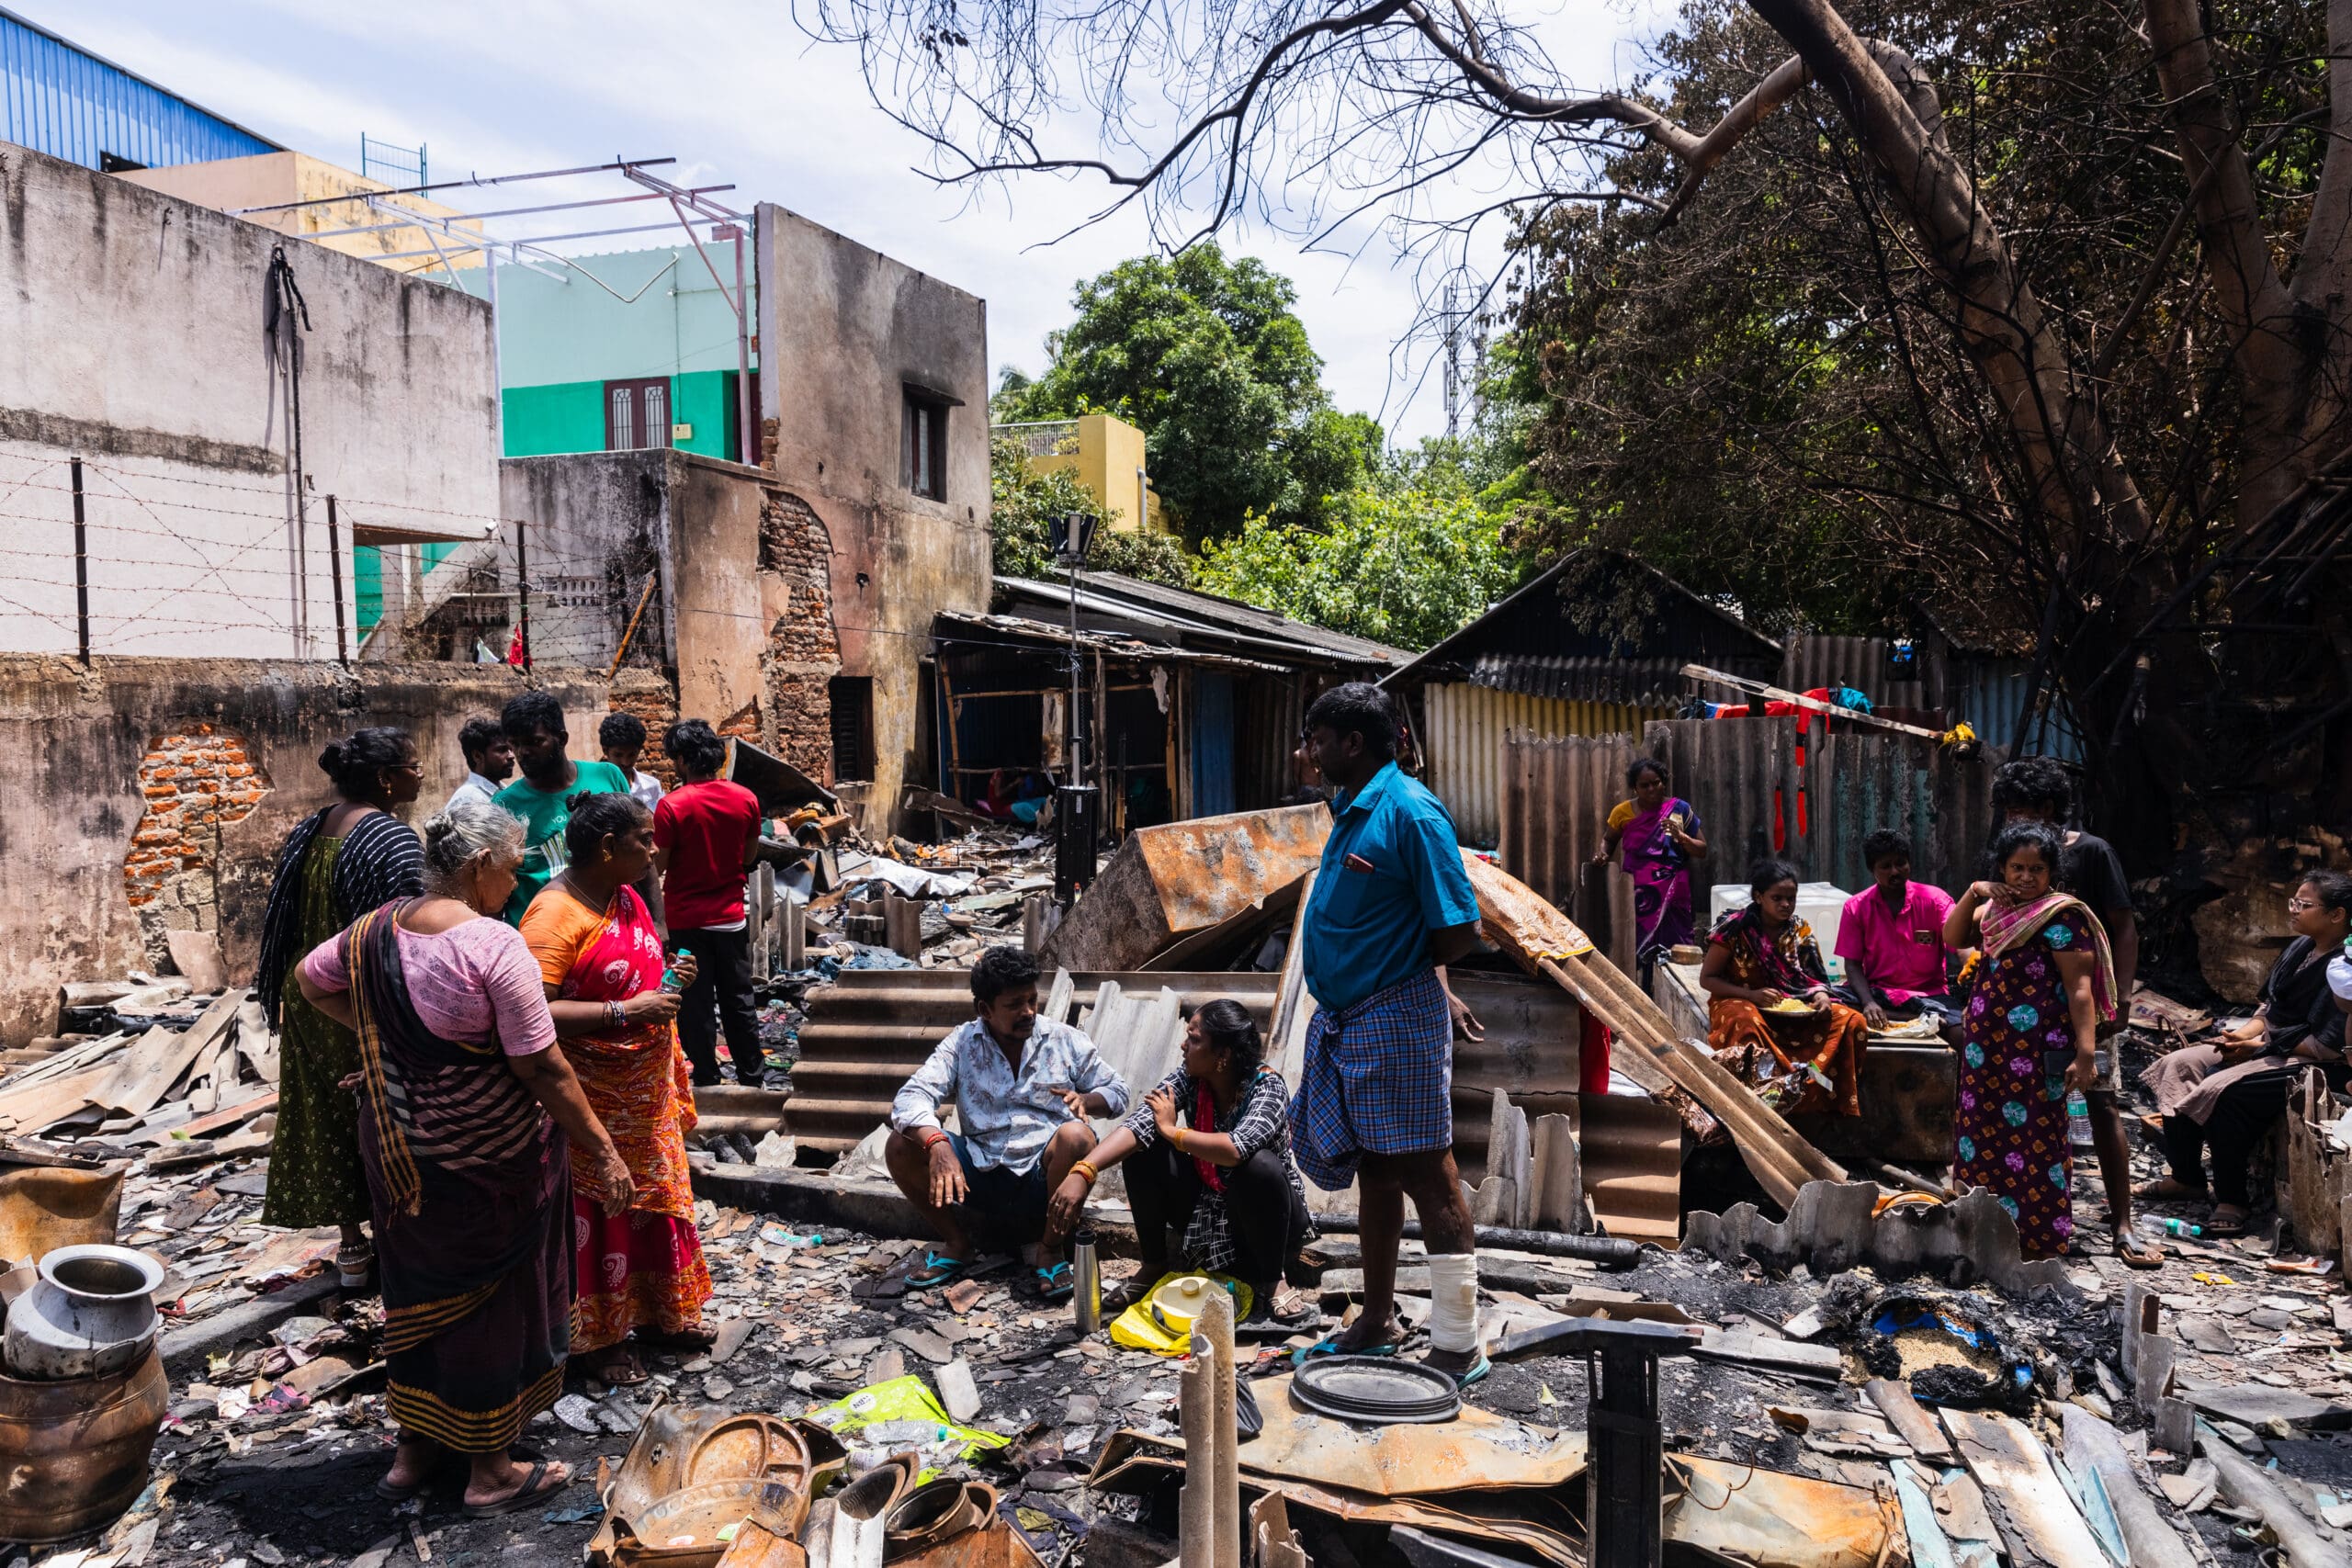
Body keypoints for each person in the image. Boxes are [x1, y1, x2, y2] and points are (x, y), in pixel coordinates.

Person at [294, 801, 632, 1516]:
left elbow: (309, 979)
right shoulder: (491, 944)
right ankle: (491, 1469)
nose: (515, 887)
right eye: (510, 870)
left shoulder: (370, 930)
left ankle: (415, 1449)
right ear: (479, 866)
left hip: (399, 1151)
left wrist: (379, 1035)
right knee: (491, 1302)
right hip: (489, 1162)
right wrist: (601, 1147)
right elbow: (542, 1066)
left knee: (415, 1295)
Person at [1289, 682, 1487, 1382]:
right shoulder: (1351, 807)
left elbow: (1459, 929)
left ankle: (1460, 1341)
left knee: (1428, 1174)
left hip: (1394, 1014)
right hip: (1355, 1018)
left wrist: (1406, 973)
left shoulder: (1410, 810)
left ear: (1353, 742)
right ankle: (1377, 1317)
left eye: (1316, 738)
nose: (1307, 751)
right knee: (1377, 1168)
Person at [518, 792, 710, 1386]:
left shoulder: (625, 896)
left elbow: (637, 972)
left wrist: (668, 982)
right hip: (587, 1094)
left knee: (652, 1202)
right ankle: (596, 1339)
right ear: (607, 848)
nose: (655, 849)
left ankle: (658, 1314)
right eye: (644, 839)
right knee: (598, 1211)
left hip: (643, 1092)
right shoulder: (553, 915)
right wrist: (627, 1010)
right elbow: (533, 1014)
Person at [254, 728, 427, 1287]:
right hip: (356, 1002)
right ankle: (400, 1241)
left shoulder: (312, 826)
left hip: (305, 995)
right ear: (385, 779)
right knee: (384, 1116)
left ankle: (353, 1250)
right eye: (412, 765)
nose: (420, 774)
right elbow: (404, 931)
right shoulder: (391, 838)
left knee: (324, 1119)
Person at [1046, 999, 1316, 1323]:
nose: (1183, 1044)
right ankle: (1154, 1264)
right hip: (1211, 1208)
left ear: (1223, 1055)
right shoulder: (1191, 1078)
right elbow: (1140, 1123)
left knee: (1259, 1166)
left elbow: (1235, 1149)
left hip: (1270, 1216)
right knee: (1144, 1150)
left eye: (1195, 1039)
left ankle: (1274, 1279)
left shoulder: (1268, 1087)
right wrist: (1084, 1170)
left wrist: (1173, 1132)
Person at [885, 947, 1128, 1301]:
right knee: (899, 1143)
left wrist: (1087, 1100)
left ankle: (1050, 1249)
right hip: (980, 1175)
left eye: (1032, 1000)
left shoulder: (1062, 1039)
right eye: (1015, 1005)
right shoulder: (962, 1043)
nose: (1028, 1012)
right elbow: (910, 1098)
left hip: (1042, 1180)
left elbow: (1118, 1091)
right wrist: (936, 1143)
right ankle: (957, 1244)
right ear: (985, 1010)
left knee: (1078, 1136)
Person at [1994, 756, 2159, 1266]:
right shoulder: (2013, 853)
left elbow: (2124, 927)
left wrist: (2124, 999)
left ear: (2047, 808)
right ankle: (2016, 1217)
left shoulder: (2092, 853)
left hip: (2088, 1003)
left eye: (2020, 810)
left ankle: (2123, 1224)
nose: (2010, 821)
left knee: (2103, 1102)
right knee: (2019, 1108)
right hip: (2025, 1012)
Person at [2140, 871, 2352, 1235]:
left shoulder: (2344, 964)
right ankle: (2187, 1176)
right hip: (2271, 1043)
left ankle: (2232, 1198)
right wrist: (2239, 1037)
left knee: (2224, 1091)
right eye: (2293, 902)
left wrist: (2257, 1047)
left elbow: (2326, 1044)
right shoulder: (2300, 946)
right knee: (2178, 1066)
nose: (2294, 910)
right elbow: (2268, 1010)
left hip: (2315, 1060)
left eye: (2304, 904)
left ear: (2337, 915)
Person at [1943, 819, 2117, 1260]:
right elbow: (1951, 937)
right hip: (1987, 1047)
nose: (2025, 877)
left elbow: (2080, 991)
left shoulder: (2062, 918)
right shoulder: (1994, 911)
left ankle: (2037, 1242)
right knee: (1981, 1132)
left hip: (2035, 1051)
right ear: (2001, 868)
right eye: (2016, 868)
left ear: (2050, 872)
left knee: (2036, 1138)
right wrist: (1974, 891)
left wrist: (2084, 1053)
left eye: (2035, 869)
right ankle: (1978, 1230)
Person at [1700, 859, 1871, 1116]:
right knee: (1746, 1021)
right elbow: (1708, 979)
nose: (1785, 905)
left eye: (1791, 898)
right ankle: (1754, 1105)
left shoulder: (1799, 930)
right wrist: (1751, 995)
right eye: (1777, 898)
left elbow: (1815, 979)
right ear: (1759, 897)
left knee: (1852, 1020)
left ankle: (1821, 1099)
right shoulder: (1735, 929)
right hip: (1739, 1000)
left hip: (1793, 1007)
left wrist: (1822, 996)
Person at [654, 720, 767, 1089]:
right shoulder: (746, 798)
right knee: (739, 999)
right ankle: (753, 1077)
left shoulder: (670, 806)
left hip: (686, 920)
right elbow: (749, 857)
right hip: (731, 917)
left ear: (684, 760)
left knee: (695, 1003)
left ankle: (706, 1076)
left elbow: (660, 864)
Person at [492, 691, 635, 924]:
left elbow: (637, 850)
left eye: (535, 742)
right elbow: (495, 888)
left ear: (562, 738)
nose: (522, 753)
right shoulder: (504, 805)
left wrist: (656, 921)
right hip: (543, 941)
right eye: (515, 744)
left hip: (609, 931)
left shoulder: (607, 777)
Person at [1594, 758, 1708, 985]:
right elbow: (1608, 840)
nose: (1651, 789)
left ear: (1663, 782)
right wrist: (1603, 854)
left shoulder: (1680, 810)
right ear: (1635, 788)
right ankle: (1642, 990)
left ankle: (1681, 990)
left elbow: (1702, 850)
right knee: (1638, 945)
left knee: (1678, 946)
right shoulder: (1622, 812)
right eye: (1644, 786)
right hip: (1638, 893)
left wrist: (1681, 837)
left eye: (1655, 783)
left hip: (1674, 893)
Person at [1834, 829, 1960, 1029]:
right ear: (1872, 869)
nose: (1894, 871)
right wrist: (1868, 1003)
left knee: (1959, 1032)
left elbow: (1958, 941)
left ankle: (1904, 1016)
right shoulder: (1855, 907)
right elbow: (1852, 965)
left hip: (1927, 995)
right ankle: (1906, 1017)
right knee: (1828, 1003)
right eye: (1885, 866)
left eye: (1900, 863)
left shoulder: (1936, 900)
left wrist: (1973, 964)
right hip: (1878, 992)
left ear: (1909, 864)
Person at [443, 717, 516, 815]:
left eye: (511, 749)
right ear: (477, 756)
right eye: (502, 750)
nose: (511, 756)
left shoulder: (503, 790)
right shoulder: (468, 800)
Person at [601, 713, 665, 812]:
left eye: (632, 755)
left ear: (639, 751)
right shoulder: (597, 788)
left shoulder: (652, 786)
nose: (625, 762)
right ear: (605, 751)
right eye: (618, 755)